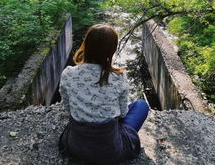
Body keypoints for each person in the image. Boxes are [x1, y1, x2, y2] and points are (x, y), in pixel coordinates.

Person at [58, 24, 149, 165]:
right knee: (141, 105)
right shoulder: (119, 77)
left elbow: (67, 107)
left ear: (86, 44)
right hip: (110, 150)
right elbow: (123, 114)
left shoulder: (68, 73)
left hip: (75, 146)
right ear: (111, 50)